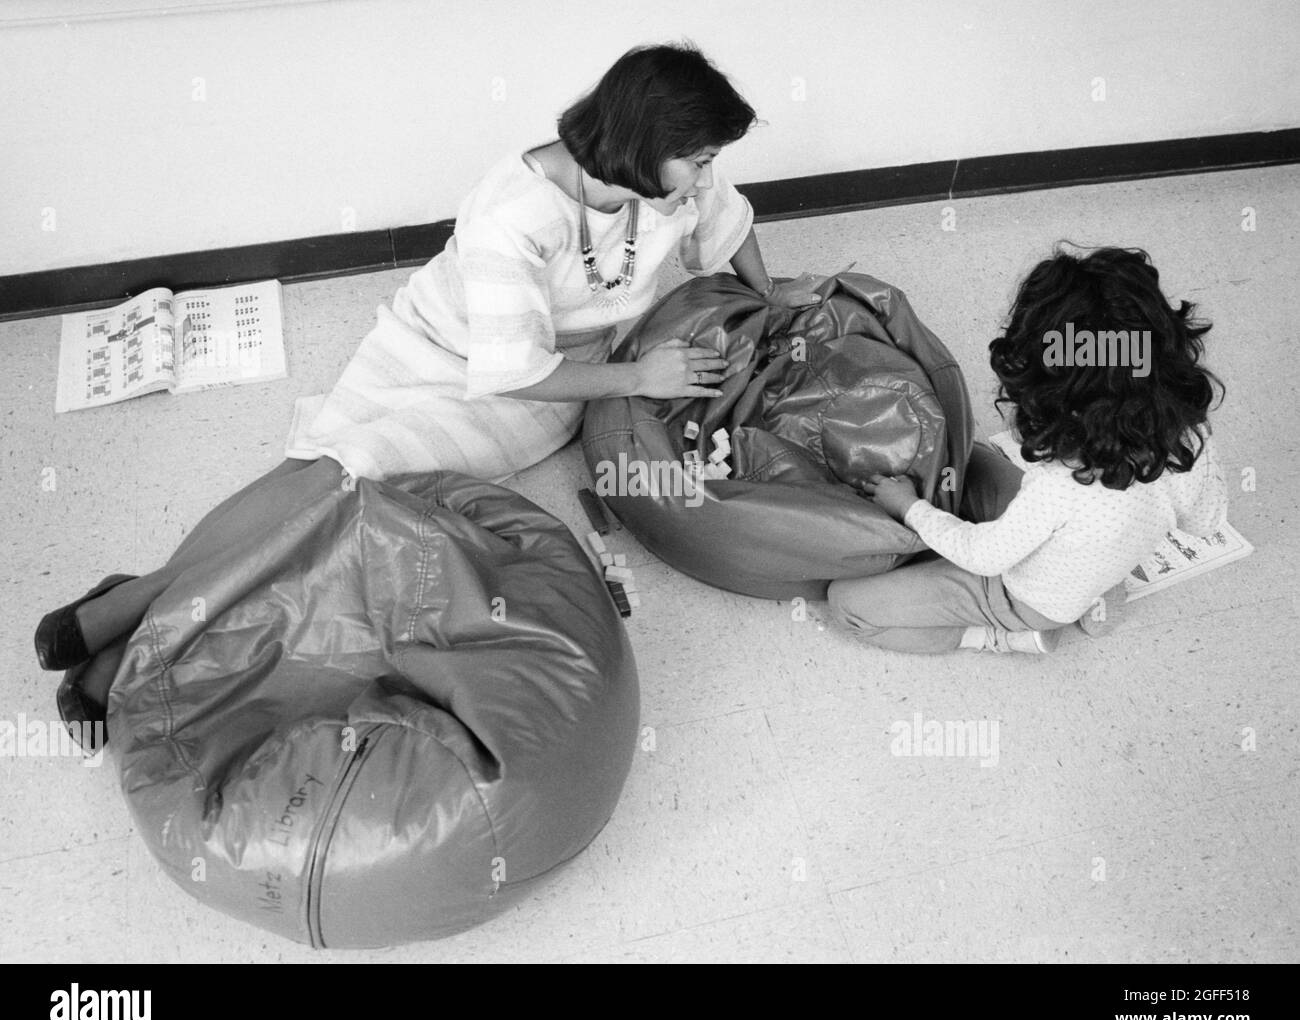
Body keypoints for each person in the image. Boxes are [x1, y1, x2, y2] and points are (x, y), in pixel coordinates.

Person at [35, 42, 821, 743]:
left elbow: (729, 224)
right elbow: (513, 364)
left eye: (712, 158)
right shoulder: (515, 209)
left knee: (351, 477)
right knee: (317, 469)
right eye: (699, 159)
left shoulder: (672, 184)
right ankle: (136, 609)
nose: (708, 176)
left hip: (532, 392)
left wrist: (770, 290)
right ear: (644, 144)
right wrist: (641, 378)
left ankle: (132, 624)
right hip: (456, 352)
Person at [828, 245, 1228, 654]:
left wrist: (910, 508)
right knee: (972, 460)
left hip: (1027, 600)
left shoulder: (1060, 486)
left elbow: (984, 557)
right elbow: (1203, 522)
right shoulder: (1190, 435)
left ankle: (1006, 638)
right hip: (1092, 568)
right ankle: (1097, 595)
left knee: (846, 605)